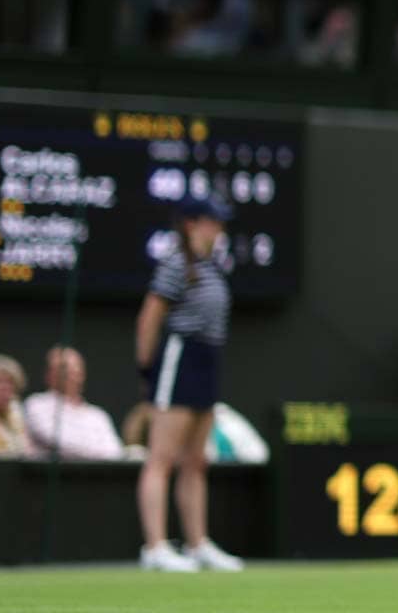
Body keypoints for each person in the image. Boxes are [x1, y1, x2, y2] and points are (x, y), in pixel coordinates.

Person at [134, 194, 245, 572]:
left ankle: (197, 544)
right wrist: (146, 369)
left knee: (196, 461)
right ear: (191, 224)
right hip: (180, 358)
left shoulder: (211, 266)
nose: (219, 229)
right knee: (161, 458)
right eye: (213, 221)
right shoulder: (175, 263)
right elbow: (149, 317)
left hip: (208, 360)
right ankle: (155, 546)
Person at [24, 346, 123, 461]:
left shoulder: (98, 415)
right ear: (49, 375)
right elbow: (55, 440)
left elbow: (114, 452)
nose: (72, 375)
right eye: (64, 369)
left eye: (76, 370)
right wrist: (96, 451)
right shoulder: (36, 404)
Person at [0, 354, 32, 458]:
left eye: (11, 383)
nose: (6, 388)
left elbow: (27, 452)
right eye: (0, 382)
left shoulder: (15, 413)